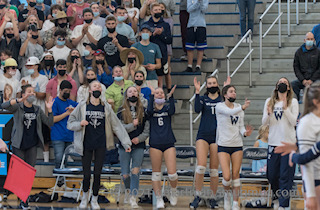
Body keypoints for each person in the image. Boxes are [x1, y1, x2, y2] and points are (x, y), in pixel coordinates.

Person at [67, 80, 132, 209]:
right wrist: (80, 124)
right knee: (86, 174)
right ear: (90, 90)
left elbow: (117, 126)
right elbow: (70, 123)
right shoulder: (81, 106)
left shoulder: (106, 107)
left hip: (101, 144)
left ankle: (95, 199)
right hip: (86, 144)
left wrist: (126, 143)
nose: (97, 88)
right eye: (94, 86)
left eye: (99, 87)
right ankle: (85, 197)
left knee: (97, 174)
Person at [1, 84, 54, 209]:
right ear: (24, 94)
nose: (32, 94)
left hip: (32, 145)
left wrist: (49, 110)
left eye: (33, 92)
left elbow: (49, 122)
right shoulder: (18, 107)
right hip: (19, 144)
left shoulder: (37, 109)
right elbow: (4, 106)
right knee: (19, 173)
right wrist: (20, 100)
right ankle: (20, 199)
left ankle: (24, 200)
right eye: (29, 92)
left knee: (28, 174)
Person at [275, 81, 320, 210]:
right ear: (316, 102)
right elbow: (306, 161)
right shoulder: (307, 123)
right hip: (316, 178)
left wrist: (296, 147)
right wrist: (310, 193)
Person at [262, 77, 299, 209]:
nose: (282, 84)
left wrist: (285, 108)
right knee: (271, 175)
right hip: (273, 144)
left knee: (285, 176)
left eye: (285, 83)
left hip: (288, 145)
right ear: (276, 86)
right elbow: (264, 123)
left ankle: (284, 205)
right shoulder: (269, 101)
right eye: (280, 83)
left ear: (288, 87)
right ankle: (277, 197)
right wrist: (268, 113)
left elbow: (294, 122)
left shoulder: (293, 102)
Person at [215, 84, 253, 210]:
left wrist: (245, 133)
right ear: (225, 95)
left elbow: (240, 126)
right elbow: (229, 112)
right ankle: (227, 194)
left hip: (237, 145)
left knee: (236, 175)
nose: (234, 94)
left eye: (235, 92)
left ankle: (235, 202)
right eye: (231, 92)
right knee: (226, 176)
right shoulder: (219, 107)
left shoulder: (238, 108)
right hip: (223, 144)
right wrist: (243, 107)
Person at [189, 76, 224, 209]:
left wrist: (226, 90)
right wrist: (197, 92)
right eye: (209, 83)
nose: (212, 85)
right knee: (201, 166)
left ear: (217, 84)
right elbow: (197, 109)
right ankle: (197, 196)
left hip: (217, 137)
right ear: (206, 86)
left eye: (214, 83)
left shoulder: (221, 99)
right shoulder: (203, 99)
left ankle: (213, 198)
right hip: (203, 135)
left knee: (214, 170)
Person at [117, 86, 149, 208]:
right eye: (130, 91)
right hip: (124, 145)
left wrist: (139, 139)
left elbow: (147, 131)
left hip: (138, 145)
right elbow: (119, 129)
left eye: (135, 91)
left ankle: (133, 197)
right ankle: (129, 191)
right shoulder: (120, 111)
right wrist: (132, 125)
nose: (133, 93)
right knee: (125, 174)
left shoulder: (144, 111)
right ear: (126, 95)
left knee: (135, 171)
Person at [147, 84, 178, 209]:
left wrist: (171, 96)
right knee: (156, 174)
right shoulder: (150, 110)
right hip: (155, 144)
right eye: (157, 93)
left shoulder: (167, 109)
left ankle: (174, 191)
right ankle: (159, 198)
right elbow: (148, 111)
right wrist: (151, 95)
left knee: (172, 174)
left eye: (161, 93)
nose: (159, 94)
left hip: (168, 143)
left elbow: (173, 110)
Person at [20, 56, 50, 162]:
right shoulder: (24, 78)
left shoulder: (43, 79)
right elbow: (20, 95)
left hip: (39, 110)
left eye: (31, 65)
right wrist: (25, 90)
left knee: (44, 137)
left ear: (37, 66)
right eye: (27, 66)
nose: (29, 68)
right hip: (26, 111)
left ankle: (46, 160)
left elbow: (42, 95)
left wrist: (30, 91)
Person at [144, 2, 172, 89]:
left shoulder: (165, 25)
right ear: (151, 12)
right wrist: (153, 34)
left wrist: (161, 34)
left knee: (160, 76)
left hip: (161, 53)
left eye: (160, 10)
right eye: (156, 10)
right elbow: (143, 39)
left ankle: (160, 93)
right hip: (148, 53)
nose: (158, 11)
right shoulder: (146, 25)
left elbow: (169, 40)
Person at [51, 80, 77, 169]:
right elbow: (52, 119)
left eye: (69, 92)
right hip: (58, 135)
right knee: (59, 158)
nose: (67, 93)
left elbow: (82, 107)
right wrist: (66, 113)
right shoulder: (54, 102)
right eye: (65, 91)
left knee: (65, 159)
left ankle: (63, 178)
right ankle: (60, 179)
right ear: (60, 90)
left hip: (69, 135)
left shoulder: (71, 103)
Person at [292, 32, 320, 101]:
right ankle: (297, 103)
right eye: (308, 39)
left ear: (314, 40)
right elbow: (296, 67)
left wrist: (312, 80)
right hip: (303, 79)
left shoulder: (318, 52)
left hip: (315, 79)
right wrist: (303, 80)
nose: (309, 40)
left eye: (311, 39)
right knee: (293, 85)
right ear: (304, 40)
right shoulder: (299, 52)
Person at [132, 24, 162, 88]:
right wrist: (142, 66)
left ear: (150, 33)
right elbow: (131, 62)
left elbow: (159, 65)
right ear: (140, 33)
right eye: (143, 32)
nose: (145, 33)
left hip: (151, 77)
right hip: (137, 77)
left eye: (147, 32)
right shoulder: (135, 46)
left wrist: (154, 66)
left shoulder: (155, 47)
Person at [184, 0, 208, 72]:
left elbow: (204, 9)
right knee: (189, 47)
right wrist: (197, 2)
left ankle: (198, 65)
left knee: (200, 47)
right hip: (191, 24)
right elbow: (189, 9)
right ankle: (190, 65)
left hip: (201, 25)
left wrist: (200, 2)